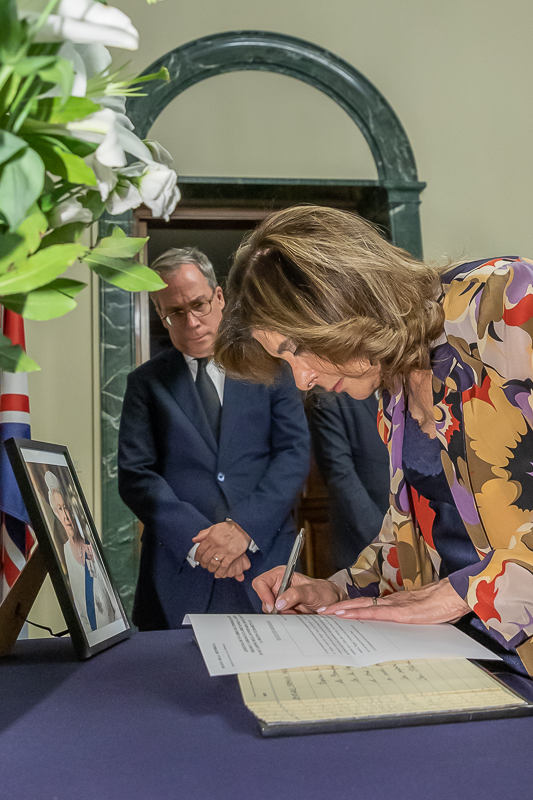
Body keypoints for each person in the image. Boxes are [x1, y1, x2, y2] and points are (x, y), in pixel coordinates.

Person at [214, 204, 533, 675]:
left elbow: (452, 587)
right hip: (470, 661)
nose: (301, 379)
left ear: (343, 300)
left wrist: (467, 592)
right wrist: (338, 590)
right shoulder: (392, 389)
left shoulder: (506, 301)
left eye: (297, 348)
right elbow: (416, 541)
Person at [118, 247, 310, 630]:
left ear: (219, 296)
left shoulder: (271, 364)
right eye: (176, 312)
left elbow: (294, 453)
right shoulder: (145, 383)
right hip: (177, 571)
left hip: (265, 561)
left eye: (199, 305)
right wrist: (202, 544)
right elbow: (136, 475)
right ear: (160, 314)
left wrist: (242, 529)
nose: (191, 322)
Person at [307, 392, 389, 570]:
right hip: (366, 549)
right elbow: (340, 476)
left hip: (424, 542)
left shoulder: (406, 387)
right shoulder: (327, 396)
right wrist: (386, 542)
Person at [45, 471, 120, 633]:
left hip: (112, 632)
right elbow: (80, 607)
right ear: (56, 513)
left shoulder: (90, 544)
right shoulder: (66, 550)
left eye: (66, 508)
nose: (66, 515)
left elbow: (116, 603)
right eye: (60, 509)